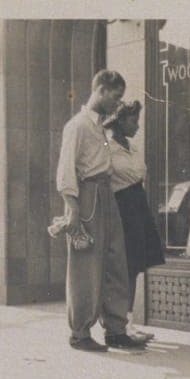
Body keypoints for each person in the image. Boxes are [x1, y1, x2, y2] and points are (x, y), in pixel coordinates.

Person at [54, 70, 143, 352]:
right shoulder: (78, 126)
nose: (118, 105)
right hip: (88, 195)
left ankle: (116, 330)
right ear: (101, 90)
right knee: (87, 267)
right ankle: (80, 333)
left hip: (108, 194)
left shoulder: (102, 128)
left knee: (116, 262)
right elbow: (66, 171)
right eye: (115, 98)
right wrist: (73, 210)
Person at [103, 101, 166, 344]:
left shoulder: (133, 147)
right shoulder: (107, 148)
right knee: (122, 267)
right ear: (119, 121)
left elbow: (140, 174)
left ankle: (127, 323)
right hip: (121, 207)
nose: (137, 126)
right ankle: (117, 325)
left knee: (135, 266)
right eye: (133, 120)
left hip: (138, 205)